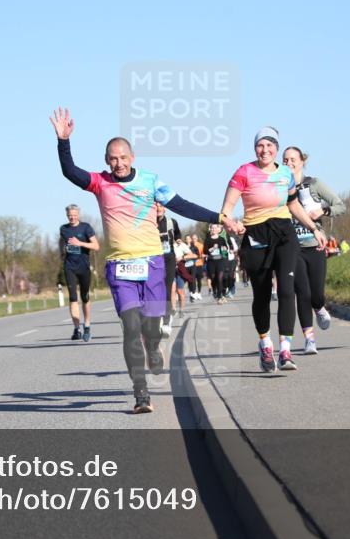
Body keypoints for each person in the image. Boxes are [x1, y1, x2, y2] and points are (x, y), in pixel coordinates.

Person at [52, 107, 242, 413]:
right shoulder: (100, 183)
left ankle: (154, 348)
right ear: (106, 161)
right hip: (119, 266)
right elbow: (70, 171)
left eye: (123, 157)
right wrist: (63, 142)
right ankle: (140, 393)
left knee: (151, 331)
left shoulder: (151, 181)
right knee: (130, 327)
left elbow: (184, 206)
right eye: (113, 158)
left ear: (132, 158)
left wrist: (220, 217)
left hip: (152, 264)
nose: (118, 163)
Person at [220, 127, 323, 372]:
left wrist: (314, 228)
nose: (265, 150)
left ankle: (285, 350)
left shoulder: (286, 173)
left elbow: (293, 204)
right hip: (255, 235)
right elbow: (227, 208)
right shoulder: (244, 172)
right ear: (255, 148)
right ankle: (265, 344)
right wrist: (231, 223)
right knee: (263, 294)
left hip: (284, 233)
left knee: (287, 290)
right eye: (260, 146)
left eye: (270, 146)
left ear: (277, 148)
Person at [282, 147, 345, 355]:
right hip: (293, 248)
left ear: (302, 161)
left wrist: (323, 210)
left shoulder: (314, 184)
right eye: (285, 159)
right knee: (303, 293)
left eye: (292, 159)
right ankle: (309, 339)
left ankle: (319, 308)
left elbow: (340, 206)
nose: (288, 162)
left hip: (315, 245)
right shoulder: (280, 187)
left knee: (317, 295)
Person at [59, 204, 99, 342]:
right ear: (67, 215)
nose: (72, 217)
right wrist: (62, 253)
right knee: (72, 298)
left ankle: (87, 326)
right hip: (69, 266)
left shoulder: (86, 227)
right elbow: (62, 243)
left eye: (75, 215)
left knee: (85, 297)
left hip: (84, 267)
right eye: (70, 215)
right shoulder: (63, 229)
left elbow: (96, 246)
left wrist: (80, 243)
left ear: (78, 215)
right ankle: (77, 329)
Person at [156, 204, 181, 338]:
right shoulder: (147, 222)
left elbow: (177, 234)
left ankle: (166, 320)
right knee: (154, 288)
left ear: (164, 208)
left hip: (168, 258)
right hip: (153, 258)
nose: (158, 208)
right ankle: (156, 317)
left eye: (160, 205)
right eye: (155, 205)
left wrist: (178, 239)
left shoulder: (172, 222)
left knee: (166, 287)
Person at [203, 224, 229, 303]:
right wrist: (212, 248)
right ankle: (214, 290)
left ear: (218, 230)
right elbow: (205, 251)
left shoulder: (221, 239)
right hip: (211, 261)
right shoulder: (208, 240)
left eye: (215, 228)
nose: (214, 229)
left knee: (220, 278)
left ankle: (219, 296)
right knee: (214, 278)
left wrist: (225, 249)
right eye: (212, 228)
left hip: (220, 260)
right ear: (210, 229)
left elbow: (225, 248)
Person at [172, 236, 191, 316]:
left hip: (180, 270)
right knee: (172, 290)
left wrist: (182, 257)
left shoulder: (182, 245)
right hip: (171, 269)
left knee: (180, 291)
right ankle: (173, 309)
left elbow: (191, 255)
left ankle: (182, 310)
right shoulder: (167, 245)